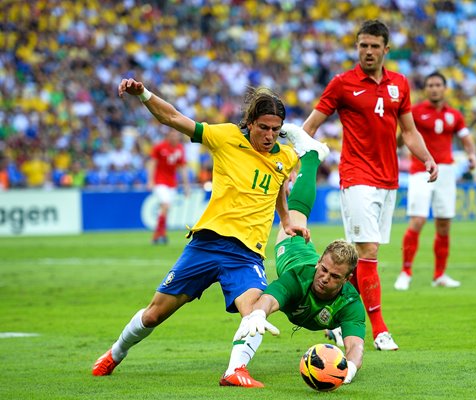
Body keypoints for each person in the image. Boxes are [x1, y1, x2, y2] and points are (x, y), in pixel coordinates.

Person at [92, 79, 327, 388]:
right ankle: (114, 353)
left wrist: (285, 221)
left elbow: (277, 189)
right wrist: (144, 94)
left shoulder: (284, 157)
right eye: (263, 128)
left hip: (246, 255)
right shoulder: (226, 137)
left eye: (275, 129)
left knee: (256, 312)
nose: (269, 135)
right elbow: (174, 117)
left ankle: (235, 371)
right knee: (153, 315)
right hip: (207, 244)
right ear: (249, 123)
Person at [300, 19, 439, 351]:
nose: (368, 51)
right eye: (363, 45)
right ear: (357, 47)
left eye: (374, 46)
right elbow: (311, 125)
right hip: (356, 177)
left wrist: (427, 157)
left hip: (388, 179)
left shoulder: (399, 85)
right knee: (369, 251)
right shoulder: (342, 84)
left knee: (358, 261)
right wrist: (298, 164)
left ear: (386, 50)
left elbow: (408, 131)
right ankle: (378, 329)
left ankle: (333, 319)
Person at [231, 127, 365, 385]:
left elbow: (357, 346)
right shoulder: (299, 278)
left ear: (347, 279)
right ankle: (311, 156)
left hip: (324, 294)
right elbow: (268, 300)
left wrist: (349, 370)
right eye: (323, 269)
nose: (324, 278)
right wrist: (259, 314)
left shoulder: (351, 302)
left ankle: (309, 156)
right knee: (294, 217)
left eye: (334, 276)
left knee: (296, 213)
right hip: (293, 252)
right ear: (319, 263)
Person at [395, 71, 476, 290]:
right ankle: (406, 271)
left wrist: (471, 155)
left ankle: (439, 275)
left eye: (437, 85)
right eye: (430, 85)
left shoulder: (454, 115)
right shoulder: (415, 111)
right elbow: (401, 138)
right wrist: (399, 137)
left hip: (447, 172)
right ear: (425, 89)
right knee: (418, 220)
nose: (434, 88)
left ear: (444, 88)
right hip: (420, 170)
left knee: (444, 224)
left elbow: (467, 140)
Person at [147, 129, 190, 244]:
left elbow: (183, 168)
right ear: (168, 136)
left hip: (172, 184)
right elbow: (152, 163)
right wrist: (150, 180)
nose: (174, 138)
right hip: (160, 182)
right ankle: (160, 234)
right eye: (172, 135)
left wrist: (186, 186)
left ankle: (158, 235)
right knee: (165, 205)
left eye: (176, 136)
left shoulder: (180, 148)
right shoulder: (159, 147)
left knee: (165, 209)